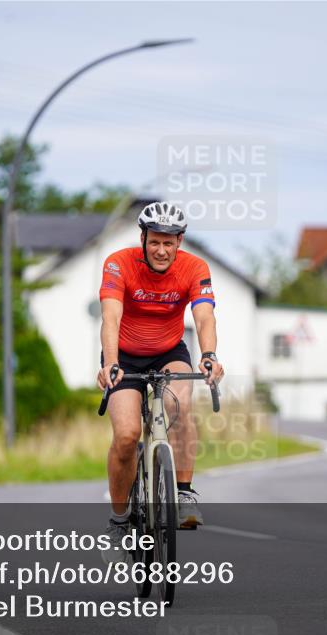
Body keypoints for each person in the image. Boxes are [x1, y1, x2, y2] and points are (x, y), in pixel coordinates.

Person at [96, 202, 224, 564]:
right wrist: (110, 363)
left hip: (169, 351)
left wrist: (210, 355)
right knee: (125, 436)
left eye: (170, 243)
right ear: (143, 239)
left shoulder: (194, 268)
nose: (162, 250)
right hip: (123, 353)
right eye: (155, 242)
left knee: (178, 406)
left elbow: (204, 315)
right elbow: (110, 317)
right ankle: (120, 520)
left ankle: (182, 495)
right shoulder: (118, 263)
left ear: (180, 241)